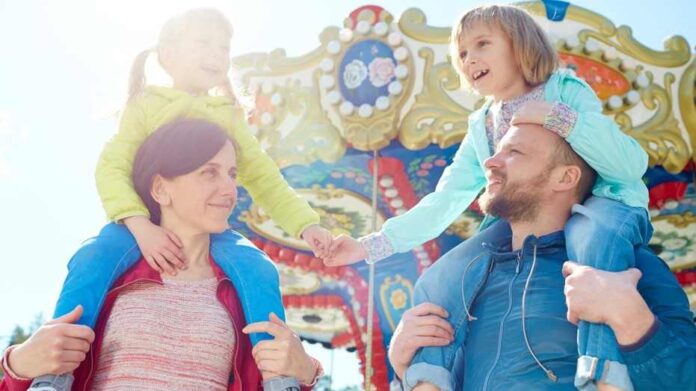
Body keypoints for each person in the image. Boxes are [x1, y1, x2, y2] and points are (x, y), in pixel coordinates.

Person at [324, 5, 650, 390]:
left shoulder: (565, 90)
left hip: (601, 202)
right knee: (440, 278)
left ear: (521, 46)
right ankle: (428, 380)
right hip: (516, 221)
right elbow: (446, 197)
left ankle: (604, 371)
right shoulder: (482, 124)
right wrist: (370, 246)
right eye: (462, 52)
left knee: (593, 244)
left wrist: (560, 118)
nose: (470, 58)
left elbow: (628, 164)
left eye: (482, 44)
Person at [30, 8, 332, 391]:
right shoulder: (146, 105)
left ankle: (279, 377)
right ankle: (52, 375)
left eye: (224, 47)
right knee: (93, 257)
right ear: (168, 53)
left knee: (259, 268)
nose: (217, 54)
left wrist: (307, 225)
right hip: (138, 223)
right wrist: (139, 226)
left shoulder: (229, 115)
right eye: (204, 43)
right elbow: (112, 167)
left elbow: (265, 176)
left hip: (205, 233)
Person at [1, 118, 323, 390]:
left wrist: (306, 373)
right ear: (160, 189)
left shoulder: (245, 289)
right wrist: (18, 365)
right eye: (209, 172)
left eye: (232, 174)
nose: (230, 189)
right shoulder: (109, 274)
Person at [387, 123, 696, 390]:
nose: (491, 162)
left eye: (514, 153)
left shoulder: (631, 265)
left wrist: (632, 319)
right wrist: (404, 368)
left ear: (565, 178)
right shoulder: (464, 282)